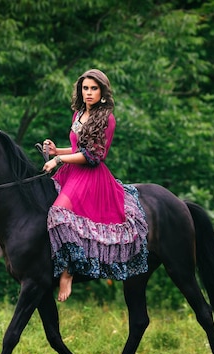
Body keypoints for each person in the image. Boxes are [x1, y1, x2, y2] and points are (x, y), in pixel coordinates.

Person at [42, 69, 148, 302]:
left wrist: (58, 160)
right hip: (72, 171)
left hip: (91, 175)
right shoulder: (78, 114)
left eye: (93, 88)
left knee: (59, 213)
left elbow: (92, 156)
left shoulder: (106, 119)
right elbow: (76, 149)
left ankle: (68, 272)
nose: (88, 93)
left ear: (102, 92)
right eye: (85, 88)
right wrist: (56, 151)